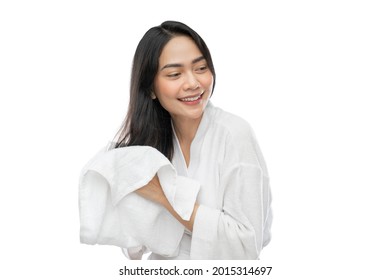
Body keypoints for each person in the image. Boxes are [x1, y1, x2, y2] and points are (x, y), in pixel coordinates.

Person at [80, 20, 272, 260]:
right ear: (150, 88)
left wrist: (164, 195)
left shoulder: (234, 134)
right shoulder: (148, 144)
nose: (193, 83)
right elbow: (134, 242)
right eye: (174, 74)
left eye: (201, 68)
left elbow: (246, 246)